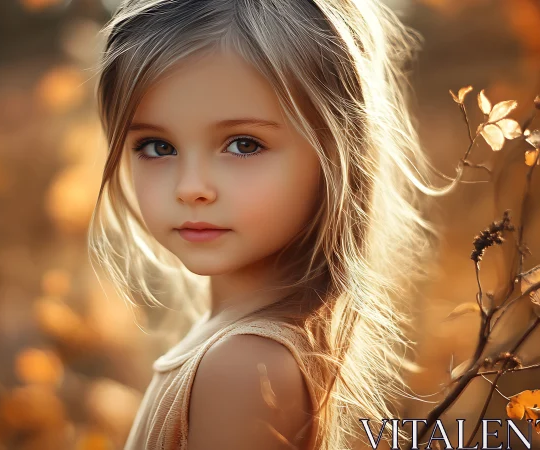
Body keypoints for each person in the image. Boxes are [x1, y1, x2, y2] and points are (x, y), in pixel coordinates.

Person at [88, 0, 446, 448]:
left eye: (243, 144)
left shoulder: (243, 366)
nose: (191, 187)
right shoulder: (233, 349)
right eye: (158, 147)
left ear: (335, 153)